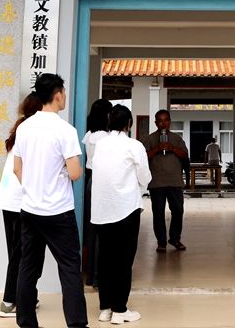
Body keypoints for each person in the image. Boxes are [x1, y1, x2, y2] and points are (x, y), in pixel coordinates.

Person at [12, 74, 89, 328]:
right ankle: (77, 324)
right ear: (57, 95)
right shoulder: (65, 130)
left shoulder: (24, 127)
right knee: (69, 269)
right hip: (58, 212)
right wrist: (61, 174)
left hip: (30, 209)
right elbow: (75, 173)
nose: (64, 96)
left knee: (28, 267)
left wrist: (34, 187)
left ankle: (26, 323)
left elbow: (17, 168)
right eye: (63, 92)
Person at [91, 104, 151, 325]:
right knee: (123, 261)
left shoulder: (100, 144)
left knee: (105, 259)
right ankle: (120, 310)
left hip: (101, 210)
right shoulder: (134, 145)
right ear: (129, 124)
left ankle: (105, 308)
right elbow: (145, 177)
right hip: (126, 209)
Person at [0, 103, 40, 319]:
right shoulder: (29, 132)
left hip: (8, 200)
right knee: (21, 254)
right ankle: (9, 302)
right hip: (19, 201)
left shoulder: (19, 129)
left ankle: (25, 296)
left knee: (17, 253)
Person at [142, 109, 189, 252]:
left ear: (170, 122)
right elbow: (143, 157)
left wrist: (173, 148)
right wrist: (156, 149)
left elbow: (185, 155)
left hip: (175, 181)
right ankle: (161, 242)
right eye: (160, 121)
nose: (163, 123)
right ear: (156, 123)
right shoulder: (149, 139)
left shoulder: (177, 138)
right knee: (158, 213)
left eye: (166, 120)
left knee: (178, 211)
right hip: (157, 182)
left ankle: (175, 239)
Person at [81, 99, 112, 288]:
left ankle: (91, 274)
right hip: (103, 182)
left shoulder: (89, 135)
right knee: (104, 229)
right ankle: (100, 275)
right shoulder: (106, 138)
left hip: (90, 181)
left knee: (92, 230)